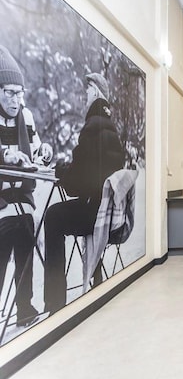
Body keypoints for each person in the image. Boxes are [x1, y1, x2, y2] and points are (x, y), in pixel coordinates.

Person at [43, 72, 125, 315]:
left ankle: (55, 303)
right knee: (68, 211)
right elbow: (96, 174)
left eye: (88, 91)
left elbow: (78, 183)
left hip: (94, 215)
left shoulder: (92, 127)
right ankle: (96, 280)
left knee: (53, 216)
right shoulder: (111, 128)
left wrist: (61, 170)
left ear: (97, 93)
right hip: (108, 214)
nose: (84, 96)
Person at [0, 45, 52, 327]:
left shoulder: (26, 117)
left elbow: (34, 150)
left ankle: (24, 307)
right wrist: (5, 155)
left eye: (20, 93)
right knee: (7, 230)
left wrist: (43, 150)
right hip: (0, 202)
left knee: (26, 227)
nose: (16, 100)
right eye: (9, 92)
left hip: (20, 198)